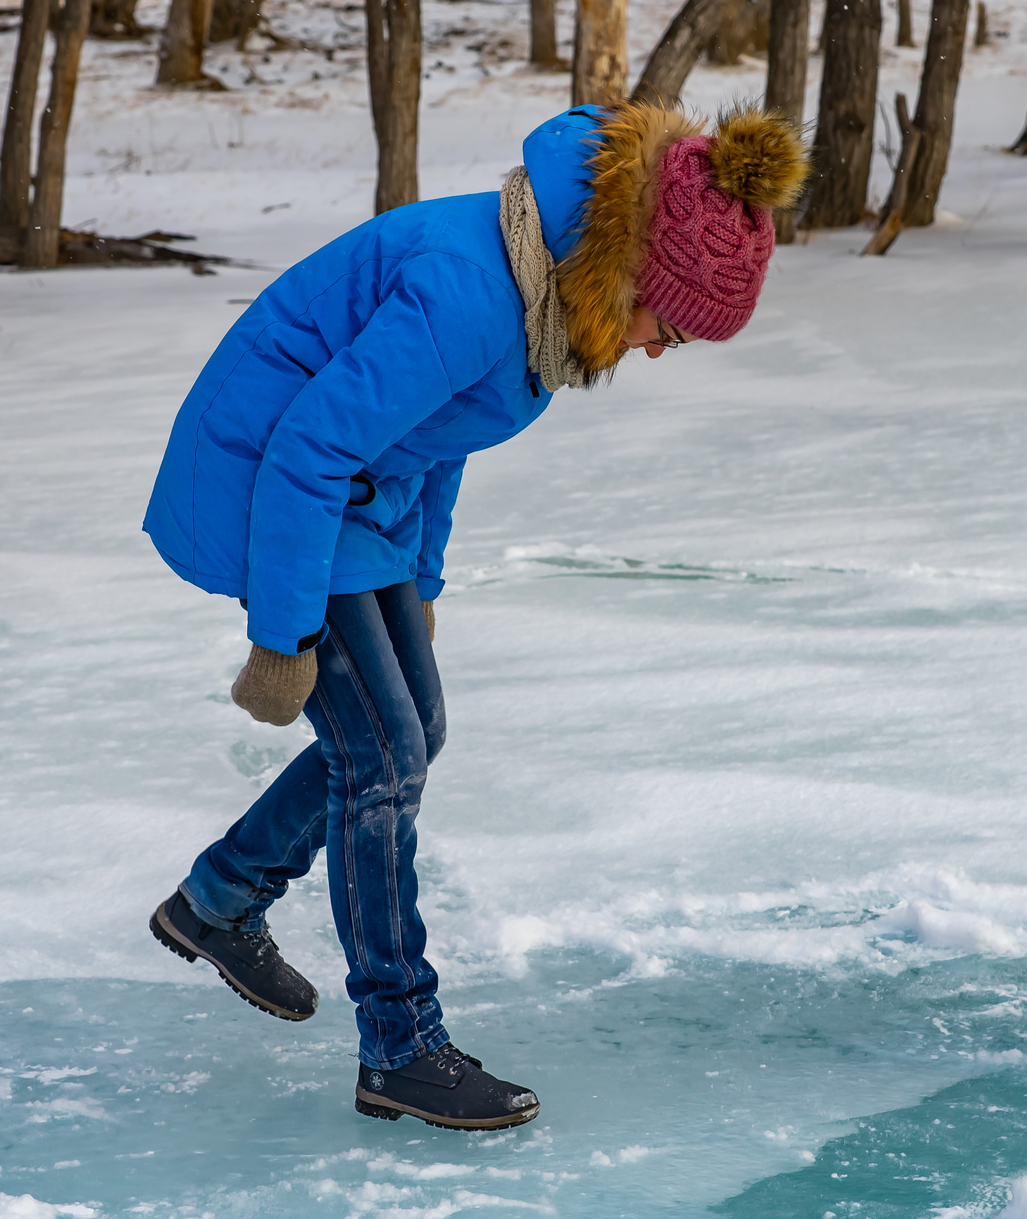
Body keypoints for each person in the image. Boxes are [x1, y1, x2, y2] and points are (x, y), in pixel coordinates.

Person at [141, 101, 806, 1131]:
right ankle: (399, 1048)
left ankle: (219, 900)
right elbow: (307, 448)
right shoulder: (472, 294)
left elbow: (439, 440)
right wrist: (282, 640)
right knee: (382, 759)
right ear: (629, 273)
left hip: (357, 503)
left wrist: (426, 587)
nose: (661, 351)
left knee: (415, 734)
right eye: (666, 327)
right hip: (269, 485)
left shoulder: (542, 295)